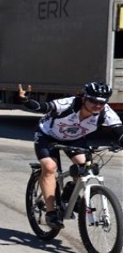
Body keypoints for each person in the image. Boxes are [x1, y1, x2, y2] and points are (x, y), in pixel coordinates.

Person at [18, 82, 123, 229]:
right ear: (83, 98)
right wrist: (27, 101)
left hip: (75, 138)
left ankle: (69, 193)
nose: (97, 105)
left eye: (102, 102)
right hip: (47, 136)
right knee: (50, 167)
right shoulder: (68, 104)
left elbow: (119, 130)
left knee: (86, 168)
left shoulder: (105, 111)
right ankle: (51, 213)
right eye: (93, 100)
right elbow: (44, 107)